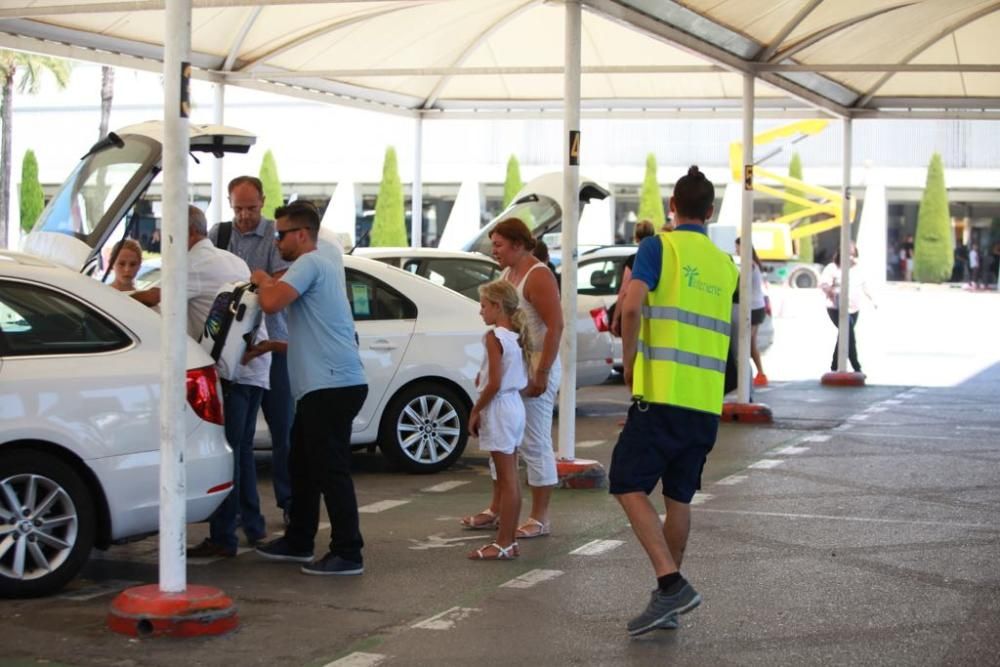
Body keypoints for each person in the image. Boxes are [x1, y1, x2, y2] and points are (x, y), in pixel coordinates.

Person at [610, 166, 738, 637]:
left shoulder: (657, 246)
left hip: (660, 396)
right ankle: (666, 600)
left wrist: (629, 359)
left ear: (672, 207)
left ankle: (670, 583)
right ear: (710, 212)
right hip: (705, 404)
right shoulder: (726, 264)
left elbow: (630, 303)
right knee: (679, 497)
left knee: (626, 483)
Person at [133, 206, 271, 558]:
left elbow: (153, 298)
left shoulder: (193, 264)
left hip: (232, 372)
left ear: (187, 232)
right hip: (253, 367)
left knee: (228, 454)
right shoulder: (230, 259)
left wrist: (109, 299)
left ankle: (224, 537)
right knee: (241, 454)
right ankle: (253, 526)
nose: (165, 240)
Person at [252, 200, 369, 576]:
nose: (276, 241)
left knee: (329, 470)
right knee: (301, 464)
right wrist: (274, 345)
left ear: (302, 235)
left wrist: (261, 279)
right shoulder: (327, 262)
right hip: (329, 385)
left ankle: (348, 552)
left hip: (331, 386)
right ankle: (299, 540)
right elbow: (316, 331)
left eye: (281, 234)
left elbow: (270, 303)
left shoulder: (310, 263)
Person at [460, 218, 563, 540]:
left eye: (499, 245)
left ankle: (539, 516)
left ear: (519, 244)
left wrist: (543, 372)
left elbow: (555, 326)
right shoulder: (508, 275)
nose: (494, 251)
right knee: (500, 442)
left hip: (535, 370)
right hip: (514, 370)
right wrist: (489, 369)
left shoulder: (539, 275)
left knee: (534, 442)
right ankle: (499, 508)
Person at [210, 176, 294, 526]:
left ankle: (290, 506)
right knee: (240, 442)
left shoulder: (278, 235)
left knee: (283, 433)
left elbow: (276, 283)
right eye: (238, 208)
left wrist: (256, 281)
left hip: (274, 346)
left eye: (251, 208)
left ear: (263, 202)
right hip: (234, 353)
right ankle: (246, 517)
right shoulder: (220, 234)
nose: (244, 215)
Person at [467, 280, 528, 561]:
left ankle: (503, 542)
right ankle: (508, 540)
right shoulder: (516, 336)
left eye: (483, 306)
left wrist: (475, 410)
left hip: (499, 406)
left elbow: (493, 383)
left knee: (507, 479)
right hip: (514, 405)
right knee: (510, 476)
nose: (481, 312)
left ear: (497, 306)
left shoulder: (494, 337)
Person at [819, 244, 874, 374]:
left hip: (854, 308)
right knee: (849, 334)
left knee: (844, 335)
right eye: (848, 254)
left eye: (853, 255)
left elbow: (865, 286)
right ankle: (856, 366)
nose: (850, 257)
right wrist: (830, 291)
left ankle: (834, 365)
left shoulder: (858, 269)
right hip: (836, 307)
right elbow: (824, 283)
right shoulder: (833, 268)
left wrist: (873, 300)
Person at [610, 219, 656, 337]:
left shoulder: (633, 260)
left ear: (636, 238)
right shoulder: (658, 260)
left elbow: (624, 290)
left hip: (635, 315)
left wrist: (615, 319)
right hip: (654, 316)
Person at [734, 237, 768, 386]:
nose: (736, 251)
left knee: (745, 343)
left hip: (752, 308)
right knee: (750, 344)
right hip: (757, 307)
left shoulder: (748, 264)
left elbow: (740, 284)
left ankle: (748, 375)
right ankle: (760, 373)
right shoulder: (754, 263)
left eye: (738, 248)